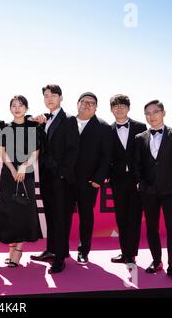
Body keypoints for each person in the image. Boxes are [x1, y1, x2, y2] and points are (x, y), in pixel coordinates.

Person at [134, 100, 172, 282]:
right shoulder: (140, 138)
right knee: (151, 228)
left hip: (171, 191)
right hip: (148, 191)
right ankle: (156, 261)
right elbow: (137, 165)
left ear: (163, 113)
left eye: (155, 112)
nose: (151, 116)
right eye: (147, 113)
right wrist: (140, 184)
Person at [29, 84, 79, 274]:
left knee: (60, 217)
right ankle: (52, 250)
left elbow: (73, 150)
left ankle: (60, 258)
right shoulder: (44, 119)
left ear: (61, 98)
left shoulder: (69, 119)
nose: (49, 99)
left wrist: (61, 173)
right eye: (46, 96)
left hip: (61, 178)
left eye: (53, 95)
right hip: (46, 177)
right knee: (50, 215)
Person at [0, 95, 43, 267]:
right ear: (10, 109)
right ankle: (11, 249)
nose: (17, 108)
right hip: (8, 175)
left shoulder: (33, 126)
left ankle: (18, 252)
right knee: (8, 213)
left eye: (21, 105)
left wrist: (23, 167)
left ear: (26, 109)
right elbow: (2, 152)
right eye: (13, 105)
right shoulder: (3, 127)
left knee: (24, 213)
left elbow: (35, 152)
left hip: (26, 174)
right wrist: (13, 169)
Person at [69, 92, 112, 265]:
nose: (87, 105)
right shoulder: (68, 122)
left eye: (91, 103)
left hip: (89, 182)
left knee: (86, 217)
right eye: (84, 102)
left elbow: (106, 156)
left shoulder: (103, 126)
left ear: (96, 107)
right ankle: (59, 250)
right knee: (62, 216)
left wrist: (98, 179)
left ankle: (83, 251)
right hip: (67, 180)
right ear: (77, 104)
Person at [108, 94, 146, 266]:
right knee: (121, 217)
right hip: (118, 180)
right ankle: (125, 253)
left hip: (137, 179)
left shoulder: (140, 126)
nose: (119, 109)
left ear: (128, 108)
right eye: (115, 106)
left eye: (123, 106)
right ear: (111, 109)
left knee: (135, 218)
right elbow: (106, 155)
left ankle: (132, 254)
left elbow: (145, 154)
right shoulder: (107, 129)